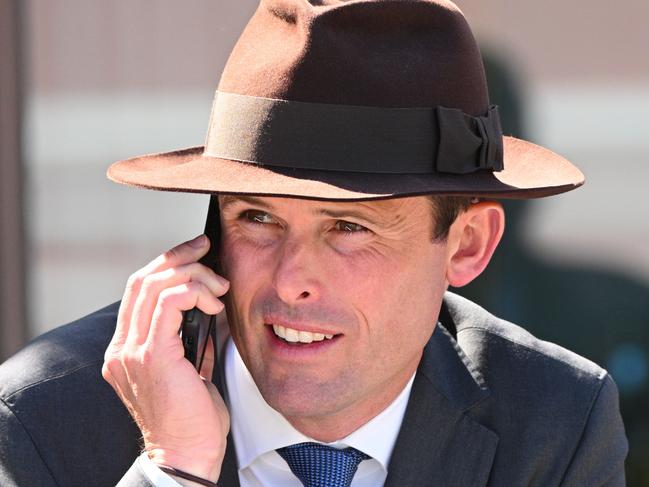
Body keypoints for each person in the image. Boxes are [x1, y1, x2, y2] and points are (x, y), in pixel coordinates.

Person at [0, 0, 628, 486]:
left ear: (466, 245)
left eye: (349, 228)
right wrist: (173, 469)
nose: (289, 279)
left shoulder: (555, 419)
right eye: (258, 220)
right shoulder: (40, 418)